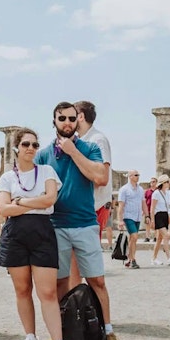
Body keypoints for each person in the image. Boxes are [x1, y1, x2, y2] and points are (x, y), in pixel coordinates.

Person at [34, 102, 124, 340]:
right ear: (54, 121)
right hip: (56, 224)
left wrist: (73, 152)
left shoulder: (90, 147)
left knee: (97, 280)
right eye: (61, 118)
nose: (66, 122)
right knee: (60, 282)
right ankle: (60, 334)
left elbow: (101, 177)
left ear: (78, 120)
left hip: (85, 223)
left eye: (71, 118)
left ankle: (108, 331)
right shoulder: (43, 155)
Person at [0, 128, 74, 340]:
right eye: (26, 144)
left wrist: (19, 201)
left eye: (35, 144)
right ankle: (30, 337)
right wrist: (32, 203)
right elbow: (4, 210)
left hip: (42, 232)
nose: (31, 148)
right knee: (22, 290)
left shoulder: (47, 171)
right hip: (15, 234)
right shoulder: (7, 177)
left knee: (47, 292)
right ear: (17, 147)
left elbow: (50, 200)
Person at [74, 100, 113, 258]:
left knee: (88, 260)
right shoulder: (81, 140)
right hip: (85, 207)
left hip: (94, 206)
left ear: (81, 116)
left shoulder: (97, 140)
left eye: (72, 116)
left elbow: (101, 177)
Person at [115, 171, 144, 269]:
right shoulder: (124, 190)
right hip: (128, 216)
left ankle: (130, 258)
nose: (138, 177)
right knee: (134, 236)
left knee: (133, 239)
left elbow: (143, 203)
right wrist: (120, 220)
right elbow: (121, 206)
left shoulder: (140, 189)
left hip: (138, 216)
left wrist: (147, 216)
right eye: (136, 175)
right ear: (130, 177)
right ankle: (133, 259)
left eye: (138, 175)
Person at [149, 175, 170, 266]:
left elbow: (166, 206)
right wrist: (152, 220)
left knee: (159, 239)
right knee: (166, 235)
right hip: (158, 216)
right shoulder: (156, 193)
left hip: (165, 215)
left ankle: (154, 258)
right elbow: (152, 208)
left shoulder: (166, 193)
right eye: (167, 182)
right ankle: (169, 258)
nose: (168, 183)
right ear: (163, 183)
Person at [143, 177, 156, 242]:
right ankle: (147, 237)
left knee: (156, 223)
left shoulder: (158, 191)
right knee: (147, 223)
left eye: (153, 181)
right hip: (148, 209)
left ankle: (155, 236)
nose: (152, 183)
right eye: (151, 182)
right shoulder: (147, 191)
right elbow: (144, 200)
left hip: (156, 210)